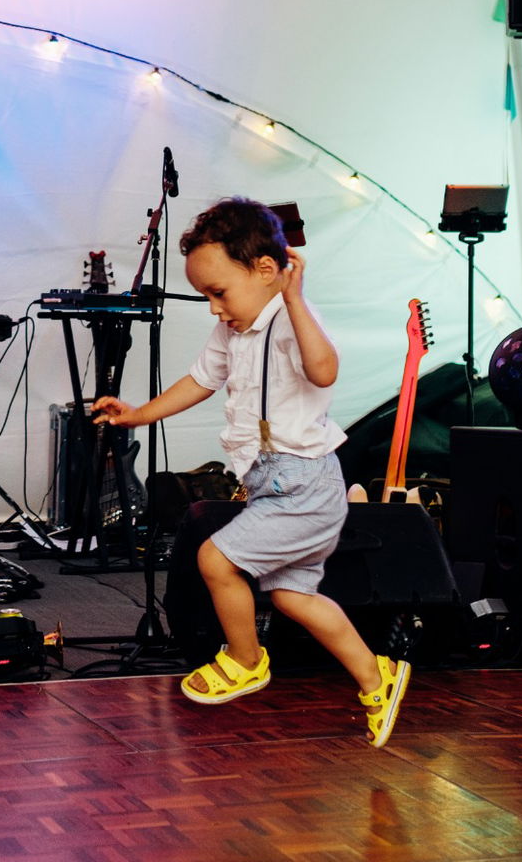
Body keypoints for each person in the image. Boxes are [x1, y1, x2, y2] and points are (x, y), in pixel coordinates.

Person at [91, 197, 411, 747]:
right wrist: (138, 414)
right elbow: (200, 381)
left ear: (266, 270)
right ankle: (375, 675)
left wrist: (295, 299)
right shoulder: (233, 332)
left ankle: (245, 660)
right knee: (292, 598)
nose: (214, 308)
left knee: (215, 558)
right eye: (206, 296)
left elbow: (324, 371)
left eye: (219, 292)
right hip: (272, 483)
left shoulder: (291, 319)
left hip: (303, 483)